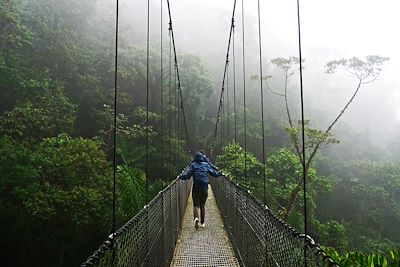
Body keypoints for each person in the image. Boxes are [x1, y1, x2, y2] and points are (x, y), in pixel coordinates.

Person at [179, 151, 221, 229]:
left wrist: (181, 176)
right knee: (202, 206)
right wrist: (220, 173)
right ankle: (202, 223)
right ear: (202, 158)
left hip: (196, 188)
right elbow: (213, 173)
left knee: (195, 205)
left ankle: (196, 218)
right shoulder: (206, 165)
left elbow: (188, 176)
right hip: (204, 188)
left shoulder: (192, 165)